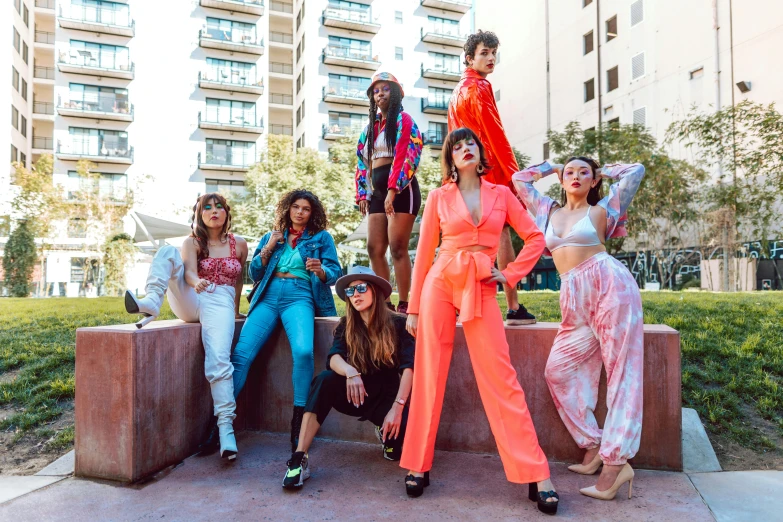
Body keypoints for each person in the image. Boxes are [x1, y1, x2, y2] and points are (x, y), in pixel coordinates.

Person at [400, 128, 559, 515]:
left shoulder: (502, 194)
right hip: (440, 281)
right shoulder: (438, 197)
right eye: (457, 146)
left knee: (501, 378)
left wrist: (510, 273)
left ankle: (538, 473)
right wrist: (414, 308)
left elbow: (535, 238)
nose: (465, 149)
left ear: (479, 151)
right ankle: (417, 464)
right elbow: (422, 256)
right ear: (450, 159)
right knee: (429, 373)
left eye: (470, 143)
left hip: (483, 283)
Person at [512, 158, 645, 501]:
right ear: (561, 179)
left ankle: (616, 463)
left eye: (584, 172)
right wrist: (551, 165)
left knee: (622, 373)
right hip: (573, 298)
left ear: (594, 180)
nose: (575, 176)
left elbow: (636, 172)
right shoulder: (546, 210)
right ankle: (593, 444)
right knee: (557, 371)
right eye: (569, 172)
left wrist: (606, 170)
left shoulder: (602, 211)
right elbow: (519, 179)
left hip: (610, 287)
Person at [207, 190, 341, 455]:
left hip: (299, 295)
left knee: (303, 352)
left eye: (306, 208)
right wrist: (268, 248)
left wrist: (321, 270)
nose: (300, 212)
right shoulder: (272, 236)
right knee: (241, 355)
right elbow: (254, 271)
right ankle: (221, 423)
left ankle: (298, 422)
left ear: (312, 213)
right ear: (288, 210)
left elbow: (334, 272)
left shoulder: (321, 238)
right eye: (295, 207)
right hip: (268, 296)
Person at [125, 193, 248, 460]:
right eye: (207, 207)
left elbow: (238, 282)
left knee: (219, 360)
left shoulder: (239, 244)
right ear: (199, 215)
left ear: (226, 212)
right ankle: (151, 301)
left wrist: (236, 309)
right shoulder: (192, 242)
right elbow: (190, 271)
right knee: (167, 250)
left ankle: (226, 429)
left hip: (220, 301)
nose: (213, 211)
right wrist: (194, 283)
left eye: (218, 207)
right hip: (192, 296)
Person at [282, 266, 414, 490]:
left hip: (389, 400)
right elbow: (334, 358)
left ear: (376, 291)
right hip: (357, 394)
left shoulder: (399, 324)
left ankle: (386, 436)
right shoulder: (347, 325)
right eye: (351, 291)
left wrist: (398, 408)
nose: (356, 295)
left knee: (397, 450)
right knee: (325, 380)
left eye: (361, 288)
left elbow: (409, 369)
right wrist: (350, 372)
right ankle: (299, 459)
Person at [448, 30, 536, 326]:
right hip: (490, 169)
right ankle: (513, 307)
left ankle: (461, 304)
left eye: (493, 53)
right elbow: (495, 135)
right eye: (485, 53)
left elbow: (454, 136)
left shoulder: (457, 91)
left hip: (464, 172)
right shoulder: (480, 87)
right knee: (502, 234)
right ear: (470, 58)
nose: (491, 59)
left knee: (466, 236)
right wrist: (514, 175)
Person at [356, 72, 424, 314]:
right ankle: (385, 303)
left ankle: (406, 302)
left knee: (397, 247)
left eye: (385, 89)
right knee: (374, 247)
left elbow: (408, 154)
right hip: (377, 191)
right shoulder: (369, 129)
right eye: (376, 91)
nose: (380, 94)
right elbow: (362, 163)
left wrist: (393, 190)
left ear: (394, 93)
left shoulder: (404, 120)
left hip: (403, 190)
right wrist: (363, 194)